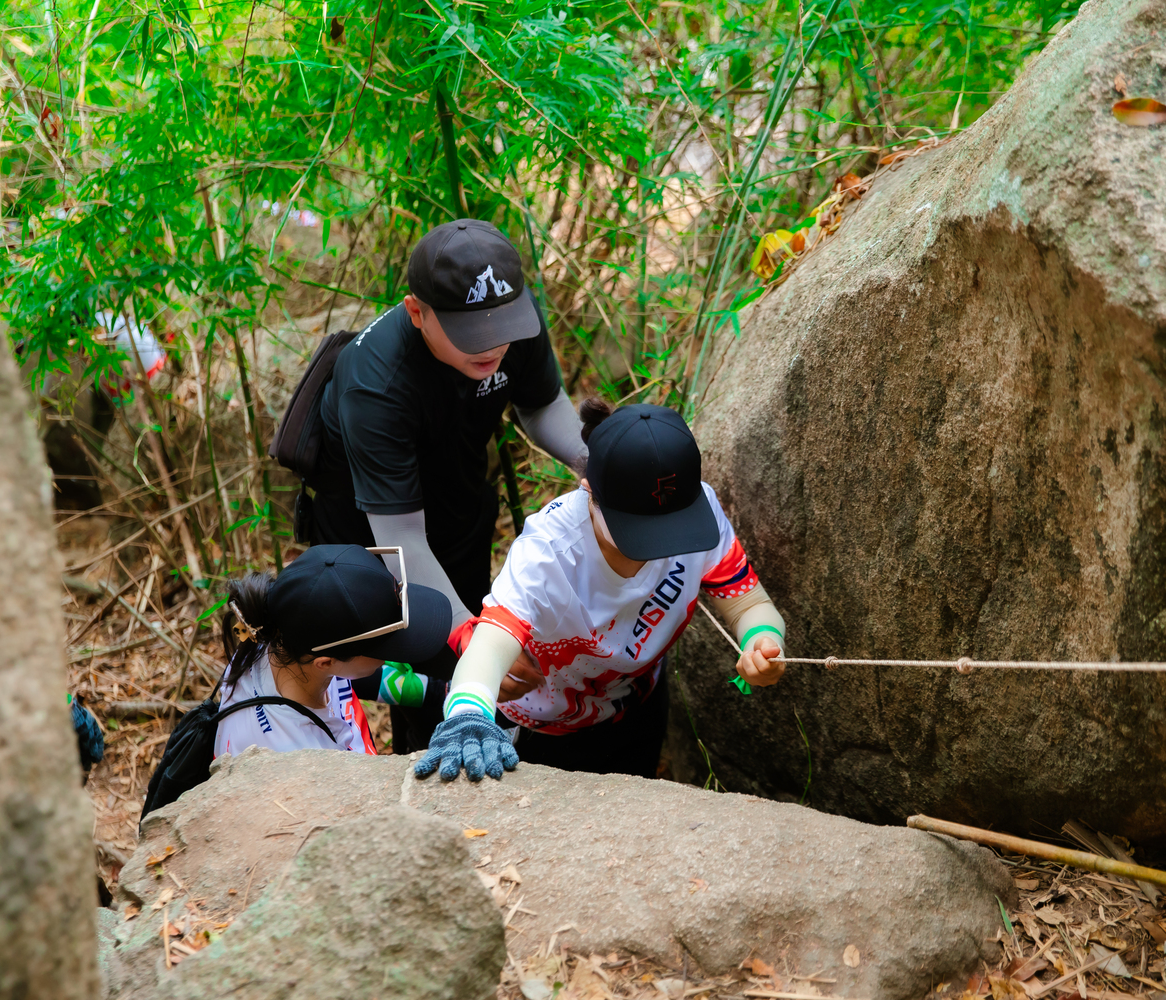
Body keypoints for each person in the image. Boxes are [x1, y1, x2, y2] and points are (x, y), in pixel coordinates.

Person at [305, 219, 588, 750]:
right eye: (472, 335)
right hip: (370, 536)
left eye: (502, 327)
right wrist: (464, 634)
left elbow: (542, 403)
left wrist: (596, 463)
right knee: (410, 668)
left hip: (457, 509)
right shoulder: (376, 383)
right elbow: (401, 538)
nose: (494, 346)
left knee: (458, 673)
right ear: (417, 312)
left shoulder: (511, 326)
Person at [414, 400, 788, 782]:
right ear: (589, 491)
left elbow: (749, 605)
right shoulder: (548, 554)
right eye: (641, 531)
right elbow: (489, 646)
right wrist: (468, 717)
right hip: (543, 728)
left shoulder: (699, 509)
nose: (664, 546)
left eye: (675, 527)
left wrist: (762, 641)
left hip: (637, 705)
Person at [212, 544, 452, 758]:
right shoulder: (297, 757)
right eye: (383, 647)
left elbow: (354, 679)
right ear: (325, 663)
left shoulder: (281, 639)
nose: (390, 656)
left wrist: (438, 692)